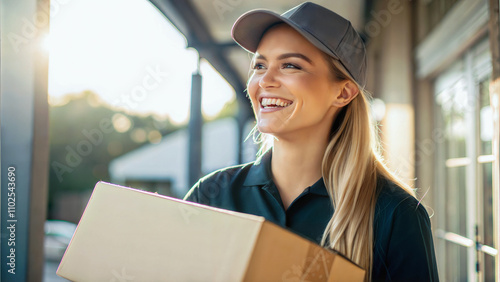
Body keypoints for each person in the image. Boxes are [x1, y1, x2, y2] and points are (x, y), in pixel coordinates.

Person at [184, 2, 439, 281]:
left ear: (343, 93)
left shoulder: (396, 214)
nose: (265, 80)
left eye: (290, 65)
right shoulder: (211, 195)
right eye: (259, 64)